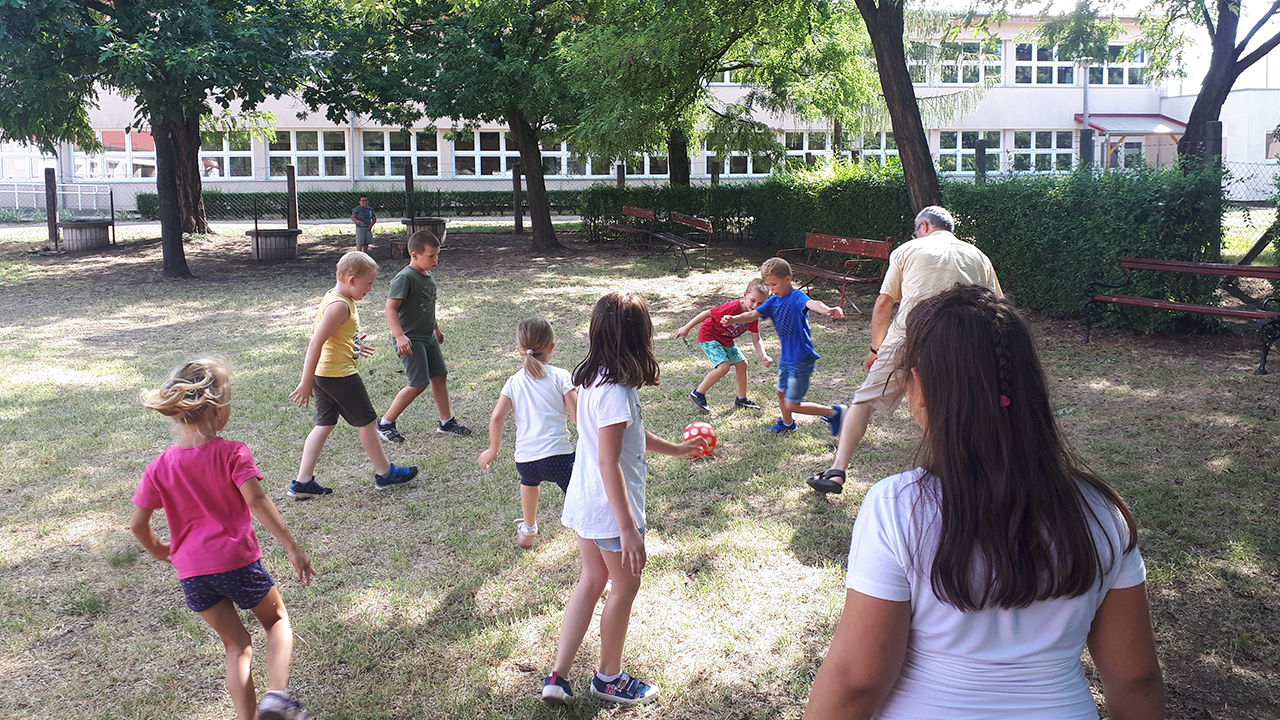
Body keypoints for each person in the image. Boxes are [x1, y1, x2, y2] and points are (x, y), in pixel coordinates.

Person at [803, 285, 1164, 720]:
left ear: (919, 388)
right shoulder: (1103, 512)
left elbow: (856, 680)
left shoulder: (895, 507)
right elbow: (1136, 678)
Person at [541, 292, 707, 706]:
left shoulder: (593, 378)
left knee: (592, 581)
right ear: (638, 338)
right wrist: (629, 530)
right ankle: (608, 678)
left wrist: (680, 449)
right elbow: (608, 460)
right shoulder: (615, 390)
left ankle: (557, 676)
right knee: (624, 586)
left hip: (586, 504)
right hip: (609, 511)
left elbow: (628, 435)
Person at [131, 359, 318, 720]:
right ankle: (277, 697)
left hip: (192, 574)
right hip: (237, 562)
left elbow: (138, 524)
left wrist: (162, 552)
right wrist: (293, 548)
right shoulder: (232, 453)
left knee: (236, 646)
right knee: (277, 621)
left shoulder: (159, 467)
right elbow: (258, 501)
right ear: (218, 410)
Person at [806, 205, 1002, 494]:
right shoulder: (979, 256)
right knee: (949, 405)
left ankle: (836, 472)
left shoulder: (909, 249)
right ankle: (968, 471)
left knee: (863, 401)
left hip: (907, 335)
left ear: (923, 226)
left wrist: (875, 349)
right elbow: (998, 304)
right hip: (963, 340)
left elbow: (884, 304)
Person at [288, 251, 418, 497]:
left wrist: (353, 344)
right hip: (339, 376)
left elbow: (333, 337)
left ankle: (303, 482)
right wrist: (305, 382)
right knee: (367, 422)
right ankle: (385, 473)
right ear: (351, 280)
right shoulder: (339, 306)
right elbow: (315, 342)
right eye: (368, 283)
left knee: (323, 424)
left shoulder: (334, 297)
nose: (370, 289)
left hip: (326, 374)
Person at [478, 317, 578, 549]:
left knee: (529, 483)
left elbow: (496, 417)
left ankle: (528, 529)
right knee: (578, 496)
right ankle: (588, 529)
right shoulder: (561, 376)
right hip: (560, 459)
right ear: (552, 347)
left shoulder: (513, 382)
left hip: (526, 461)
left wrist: (493, 450)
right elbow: (577, 417)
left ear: (519, 351)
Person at [721, 257, 845, 434]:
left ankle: (834, 412)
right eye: (768, 285)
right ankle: (787, 424)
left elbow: (812, 303)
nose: (771, 289)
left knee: (792, 404)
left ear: (788, 279)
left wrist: (828, 310)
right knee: (781, 393)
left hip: (801, 358)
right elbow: (751, 315)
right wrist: (733, 319)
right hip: (786, 359)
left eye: (774, 284)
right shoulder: (772, 301)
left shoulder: (796, 297)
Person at [376, 230, 472, 442]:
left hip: (427, 336)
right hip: (410, 339)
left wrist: (435, 328)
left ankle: (446, 422)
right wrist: (399, 336)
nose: (435, 260)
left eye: (437, 255)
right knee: (418, 383)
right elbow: (390, 309)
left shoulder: (428, 276)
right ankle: (384, 423)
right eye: (431, 256)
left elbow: (427, 305)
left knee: (439, 376)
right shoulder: (404, 278)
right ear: (414, 255)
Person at [673, 278, 773, 413]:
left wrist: (763, 355)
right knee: (723, 366)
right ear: (744, 295)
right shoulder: (732, 307)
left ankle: (741, 399)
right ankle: (698, 393)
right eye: (753, 300)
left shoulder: (753, 316)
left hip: (726, 340)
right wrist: (687, 327)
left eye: (760, 303)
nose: (755, 305)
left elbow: (756, 338)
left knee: (742, 364)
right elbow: (707, 313)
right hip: (709, 335)